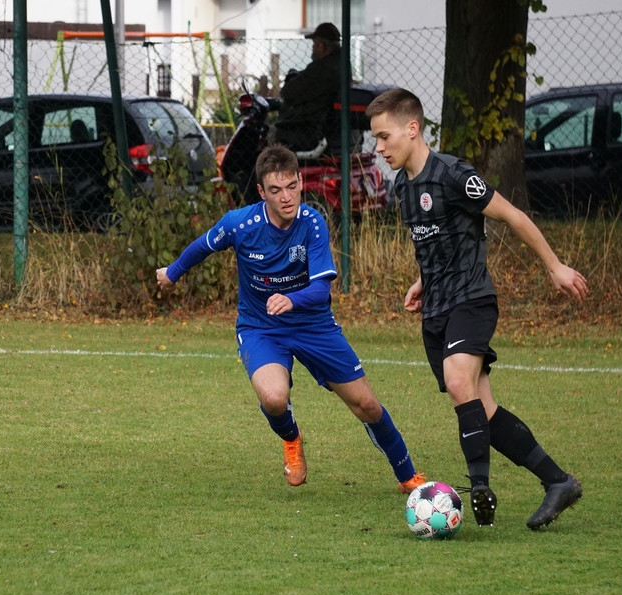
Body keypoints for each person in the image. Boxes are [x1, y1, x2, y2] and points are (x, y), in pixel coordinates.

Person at [365, 88, 589, 530]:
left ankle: (480, 486)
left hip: (472, 298)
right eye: (376, 139)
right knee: (481, 408)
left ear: (412, 129)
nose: (379, 148)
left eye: (384, 136)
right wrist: (422, 281)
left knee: (457, 381)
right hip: (437, 309)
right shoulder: (403, 187)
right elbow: (432, 241)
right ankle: (558, 481)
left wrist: (555, 266)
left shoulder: (454, 175)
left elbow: (513, 216)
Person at [156, 143, 427, 493]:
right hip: (261, 328)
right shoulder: (241, 224)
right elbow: (203, 246)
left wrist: (291, 299)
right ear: (261, 192)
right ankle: (291, 437)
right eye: (275, 190)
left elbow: (321, 290)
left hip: (314, 325)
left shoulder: (312, 223)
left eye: (291, 186)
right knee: (274, 399)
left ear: (300, 181)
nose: (286, 197)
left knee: (367, 405)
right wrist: (172, 273)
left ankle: (408, 477)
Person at [270, 22, 342, 152]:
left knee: (273, 137)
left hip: (309, 129)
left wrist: (293, 80)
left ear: (321, 46)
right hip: (328, 126)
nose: (313, 48)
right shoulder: (341, 64)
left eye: (314, 44)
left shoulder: (322, 68)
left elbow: (288, 93)